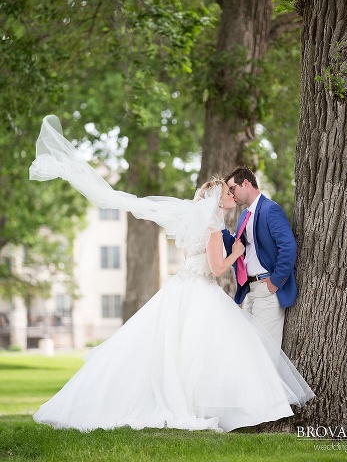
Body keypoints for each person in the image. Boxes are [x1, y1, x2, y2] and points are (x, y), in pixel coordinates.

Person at [30, 115, 313, 432]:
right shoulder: (213, 228)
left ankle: (211, 404)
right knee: (206, 350)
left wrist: (237, 252)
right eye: (229, 194)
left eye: (234, 193)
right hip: (203, 291)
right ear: (219, 199)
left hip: (183, 288)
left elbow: (197, 257)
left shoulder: (197, 225)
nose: (232, 198)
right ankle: (227, 407)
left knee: (182, 350)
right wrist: (234, 253)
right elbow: (218, 268)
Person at [223, 166, 297, 346]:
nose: (232, 194)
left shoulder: (270, 210)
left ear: (246, 183)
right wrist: (217, 225)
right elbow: (238, 248)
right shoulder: (245, 216)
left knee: (265, 355)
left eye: (232, 189)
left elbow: (288, 246)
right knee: (253, 354)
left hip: (267, 290)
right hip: (252, 291)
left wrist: (276, 280)